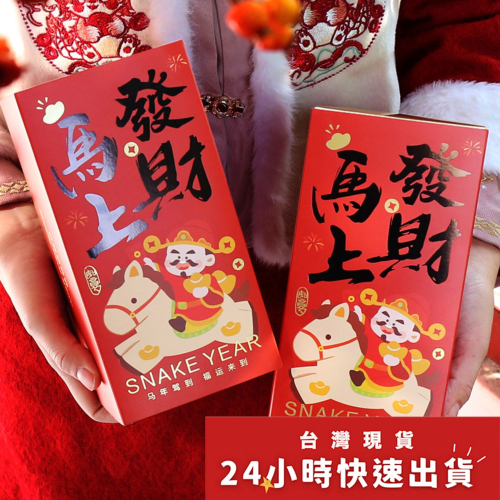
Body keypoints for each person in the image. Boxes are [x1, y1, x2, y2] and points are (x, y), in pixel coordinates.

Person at [0, 0, 499, 496]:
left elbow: (467, 18)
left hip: (367, 260)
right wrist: (11, 214)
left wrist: (471, 219)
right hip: (72, 275)